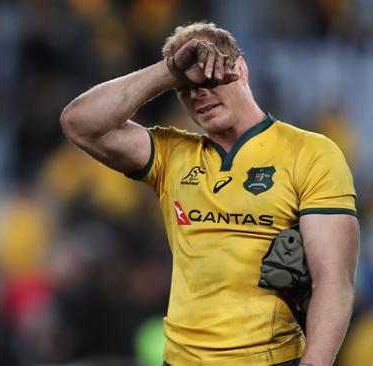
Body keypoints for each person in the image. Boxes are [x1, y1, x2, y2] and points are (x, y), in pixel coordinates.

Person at [60, 21, 359, 366]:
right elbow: (79, 123)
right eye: (186, 86)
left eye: (209, 77)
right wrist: (168, 70)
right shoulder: (172, 154)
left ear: (241, 69)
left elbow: (333, 280)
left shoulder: (311, 152)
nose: (198, 93)